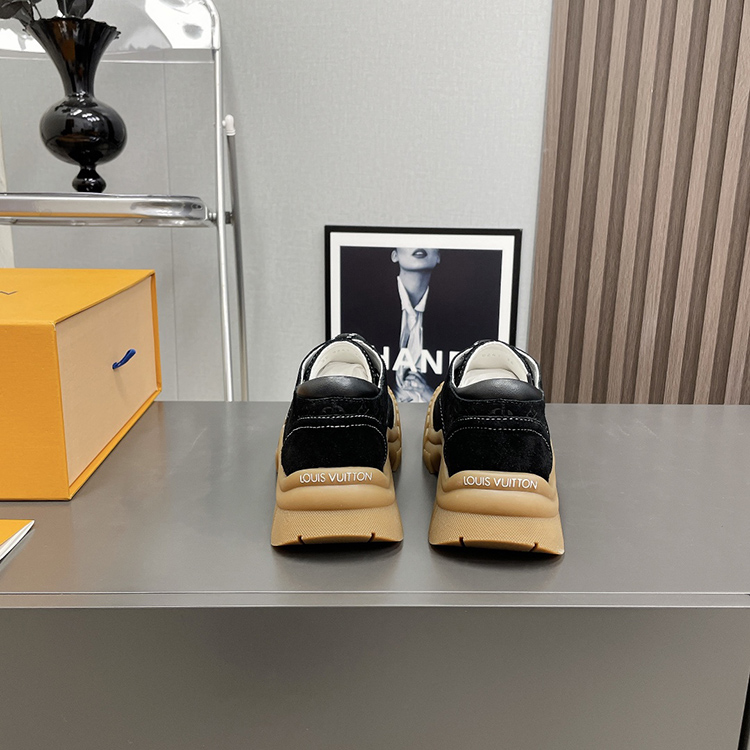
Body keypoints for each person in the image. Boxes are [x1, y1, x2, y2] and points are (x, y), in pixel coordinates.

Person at [391, 247, 440, 402]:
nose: (420, 245)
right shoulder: (366, 309)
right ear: (394, 255)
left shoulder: (457, 317)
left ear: (438, 257)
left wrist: (431, 396)